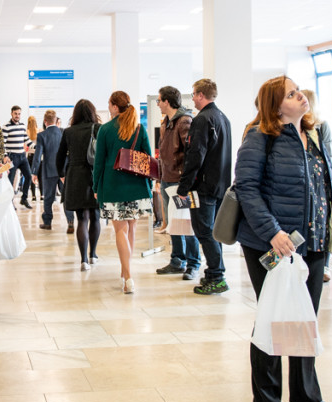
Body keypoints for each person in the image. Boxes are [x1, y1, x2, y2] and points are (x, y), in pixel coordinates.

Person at [235, 76, 332, 402]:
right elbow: (246, 187)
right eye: (291, 94)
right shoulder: (260, 136)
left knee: (305, 318)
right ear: (276, 106)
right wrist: (272, 232)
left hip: (313, 242)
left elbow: (328, 190)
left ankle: (305, 394)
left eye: (299, 90)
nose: (300, 96)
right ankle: (266, 399)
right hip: (271, 243)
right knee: (274, 317)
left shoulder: (315, 136)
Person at [178, 78, 234, 295]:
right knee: (214, 232)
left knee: (204, 231)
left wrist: (184, 187)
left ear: (201, 95)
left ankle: (217, 275)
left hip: (203, 187)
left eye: (193, 94)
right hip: (220, 185)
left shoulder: (202, 120)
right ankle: (214, 273)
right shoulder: (223, 118)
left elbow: (195, 156)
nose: (192, 98)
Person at [93, 91, 153, 294]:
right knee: (132, 229)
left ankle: (128, 277)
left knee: (120, 230)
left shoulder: (105, 130)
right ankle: (125, 271)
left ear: (115, 107)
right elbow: (148, 158)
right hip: (136, 186)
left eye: (109, 104)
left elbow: (99, 163)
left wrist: (95, 187)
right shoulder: (138, 127)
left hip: (113, 186)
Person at [154, 86, 201, 279]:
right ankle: (177, 260)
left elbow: (191, 153)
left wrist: (185, 181)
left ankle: (193, 263)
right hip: (167, 180)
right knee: (174, 223)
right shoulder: (167, 122)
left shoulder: (184, 121)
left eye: (159, 101)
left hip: (180, 183)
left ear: (167, 101)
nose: (157, 104)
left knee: (187, 224)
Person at [57, 100, 102, 271]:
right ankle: (93, 255)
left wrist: (62, 174)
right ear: (92, 112)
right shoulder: (98, 128)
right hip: (93, 175)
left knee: (81, 218)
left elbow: (60, 157)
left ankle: (83, 260)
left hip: (75, 175)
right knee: (95, 216)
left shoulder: (69, 132)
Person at [301, 89, 332, 282]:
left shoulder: (322, 127)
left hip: (320, 185)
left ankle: (324, 266)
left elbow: (328, 156)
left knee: (322, 224)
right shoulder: (294, 125)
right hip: (306, 185)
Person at [3, 105, 32, 208]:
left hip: (22, 156)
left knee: (29, 176)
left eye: (19, 114)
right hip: (12, 157)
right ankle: (10, 202)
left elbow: (27, 140)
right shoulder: (6, 126)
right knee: (10, 180)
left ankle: (24, 199)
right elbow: (2, 143)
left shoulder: (22, 125)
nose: (17, 116)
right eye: (15, 113)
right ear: (11, 113)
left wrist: (37, 147)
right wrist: (5, 155)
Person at [25, 115, 39, 202]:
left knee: (31, 175)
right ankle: (42, 195)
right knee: (39, 175)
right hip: (37, 156)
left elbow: (25, 146)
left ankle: (33, 196)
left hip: (29, 156)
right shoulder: (39, 131)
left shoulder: (26, 132)